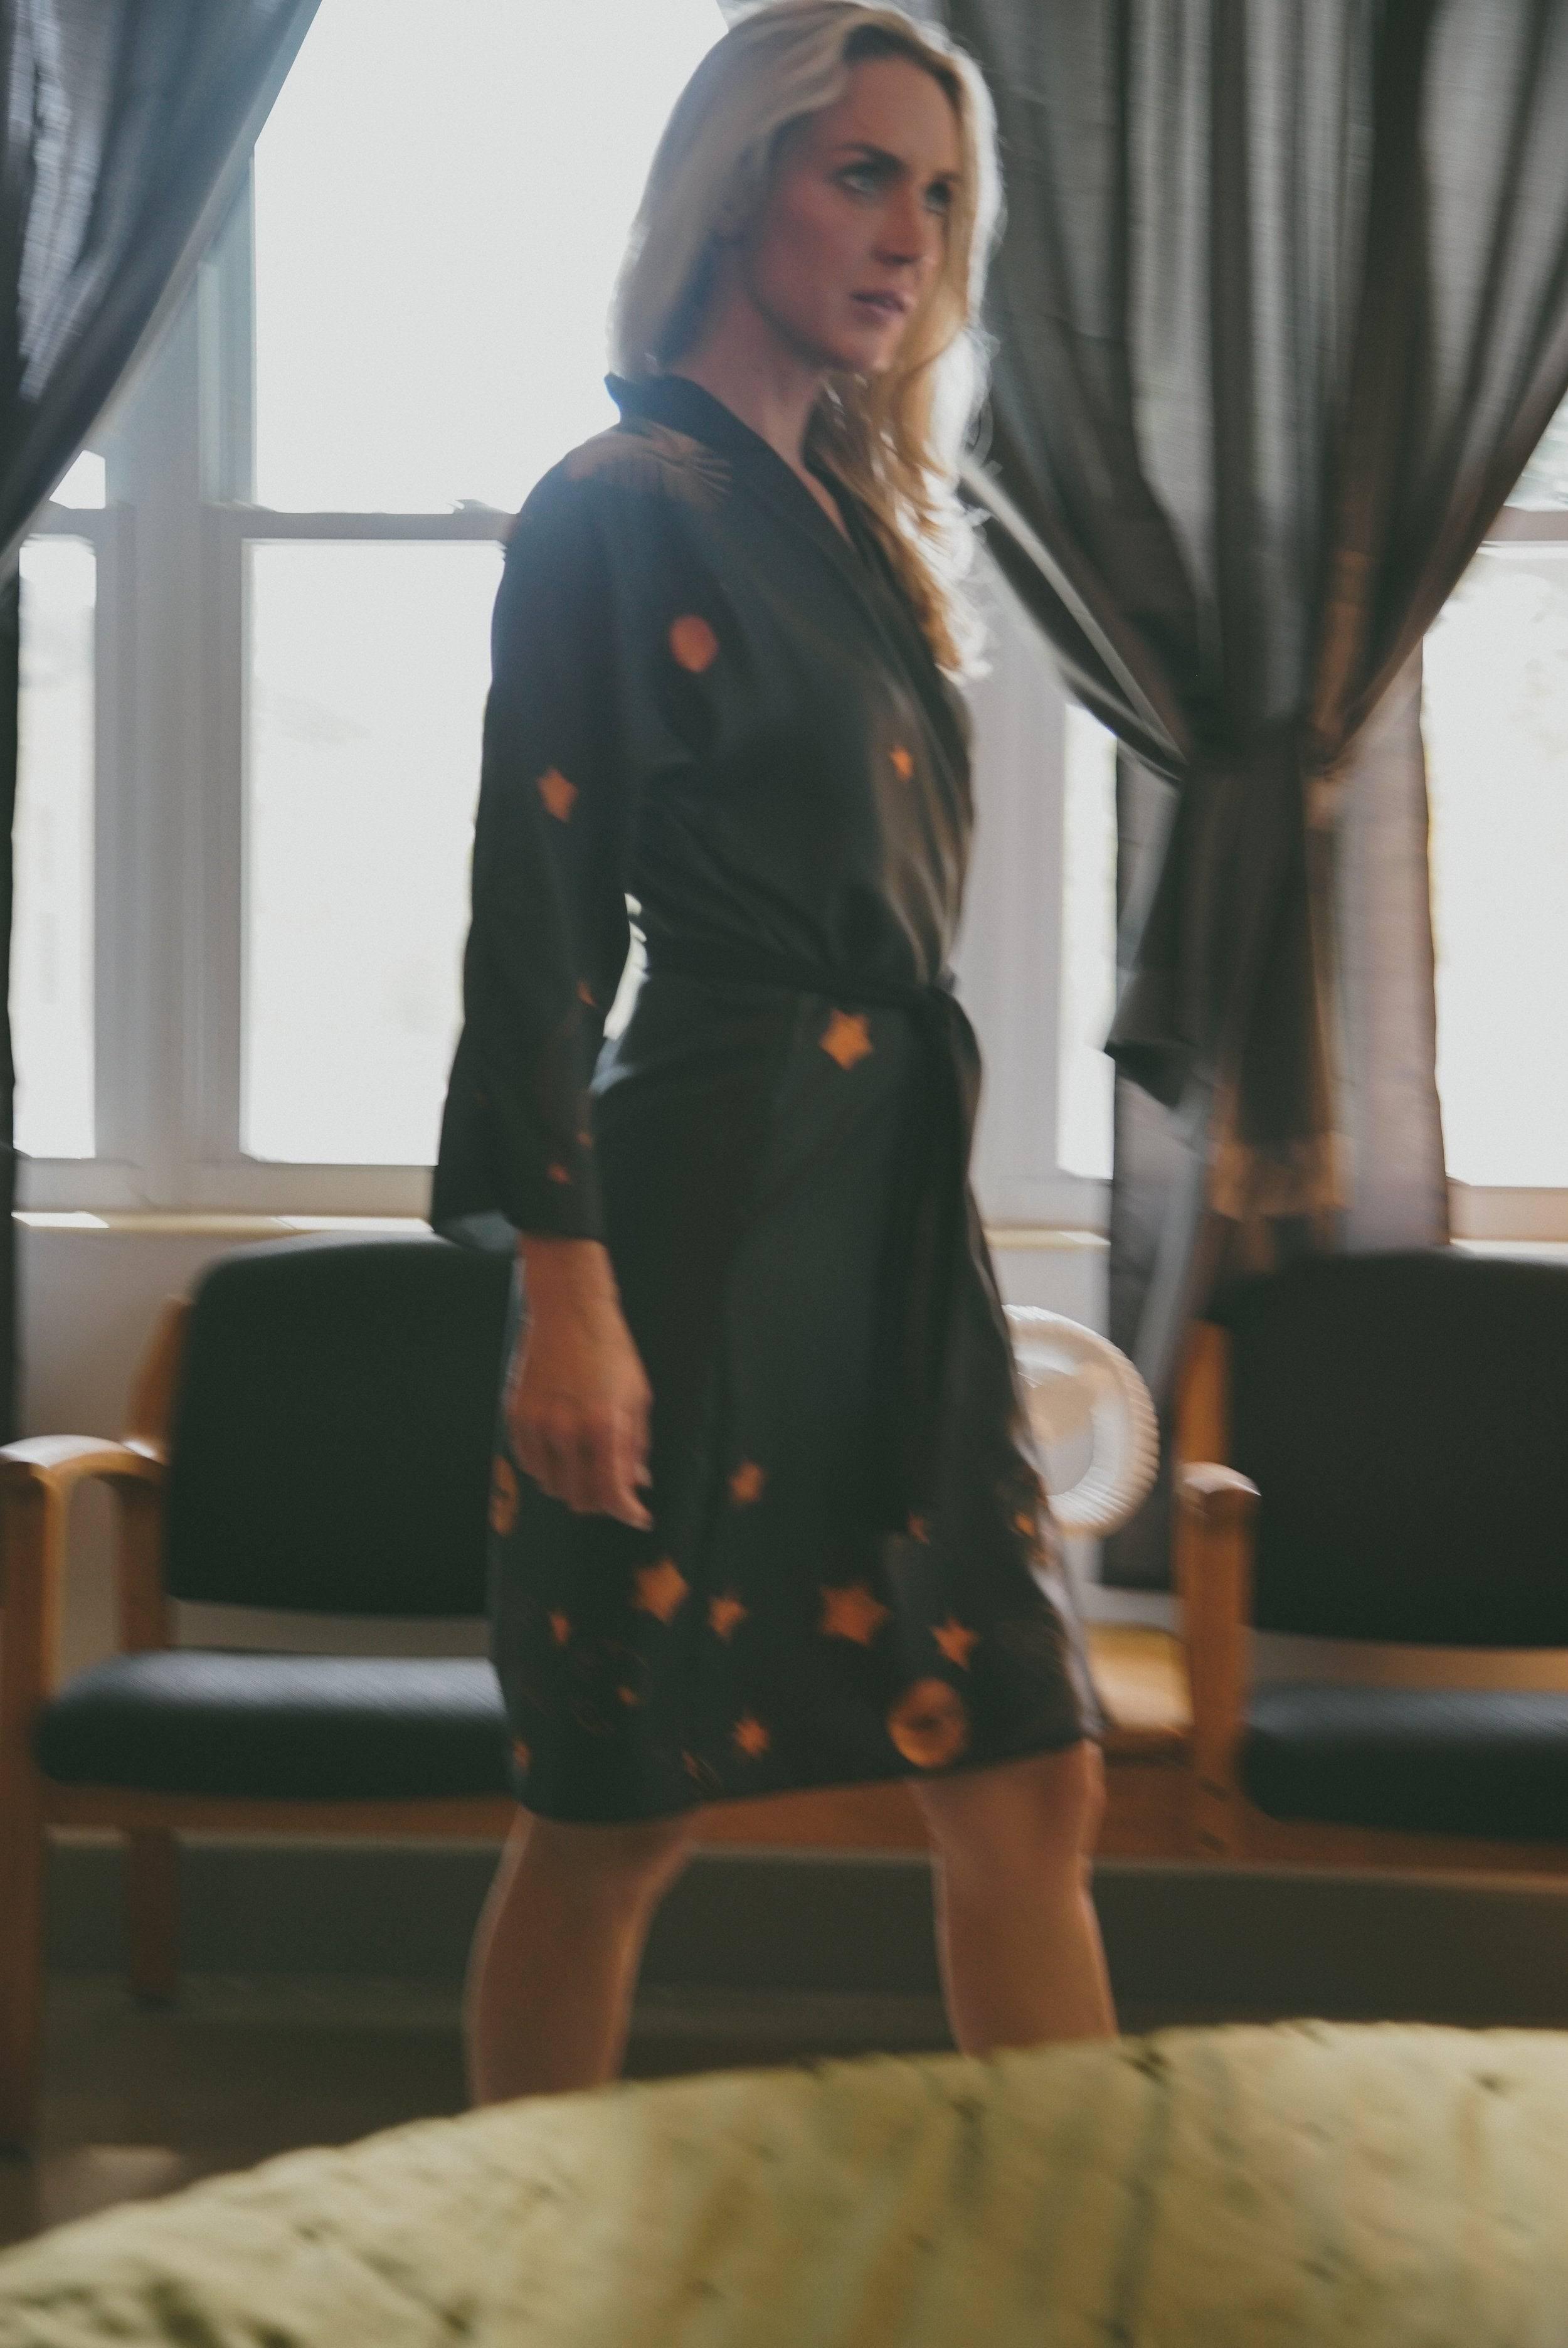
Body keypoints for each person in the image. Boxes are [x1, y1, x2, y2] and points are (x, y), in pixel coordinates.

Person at [430, 0, 1115, 2105]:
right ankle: (514, 2280)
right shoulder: (619, 503)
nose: (907, 233)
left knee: (1024, 1780)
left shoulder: (862, 534)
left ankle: (1090, 2271)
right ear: (739, 186)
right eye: (858, 175)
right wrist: (568, 1299)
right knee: (616, 1813)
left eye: (936, 194)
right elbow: (534, 927)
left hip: (893, 1226)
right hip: (701, 1219)